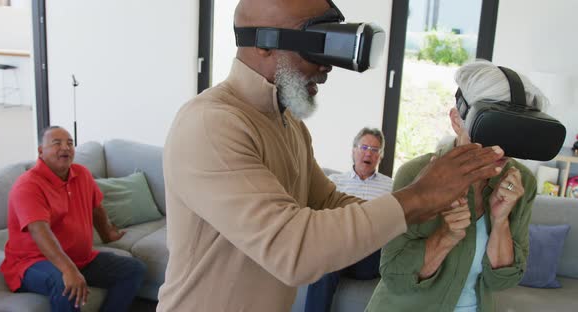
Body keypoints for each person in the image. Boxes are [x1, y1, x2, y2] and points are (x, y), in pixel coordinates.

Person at [157, 1, 504, 311]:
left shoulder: (287, 123)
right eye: (315, 50)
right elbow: (294, 249)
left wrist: (428, 208)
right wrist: (419, 197)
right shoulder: (211, 124)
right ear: (264, 44)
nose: (326, 69)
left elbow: (328, 202)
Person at [366, 60, 540, 312]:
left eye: (513, 130)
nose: (501, 147)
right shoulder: (415, 174)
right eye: (492, 127)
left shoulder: (522, 183)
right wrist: (445, 237)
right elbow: (395, 276)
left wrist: (501, 221)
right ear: (457, 120)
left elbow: (503, 280)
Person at [0, 126, 147, 312]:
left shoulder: (82, 174)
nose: (66, 148)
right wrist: (69, 270)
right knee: (65, 284)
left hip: (79, 259)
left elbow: (96, 208)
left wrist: (108, 234)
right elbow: (40, 232)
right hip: (32, 263)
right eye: (57, 143)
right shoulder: (28, 186)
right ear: (40, 151)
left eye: (70, 143)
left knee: (134, 269)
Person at [304, 127, 393, 312]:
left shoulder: (390, 186)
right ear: (354, 150)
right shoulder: (334, 182)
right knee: (327, 265)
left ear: (380, 156)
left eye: (375, 150)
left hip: (371, 256)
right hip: (340, 248)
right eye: (364, 147)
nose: (368, 153)